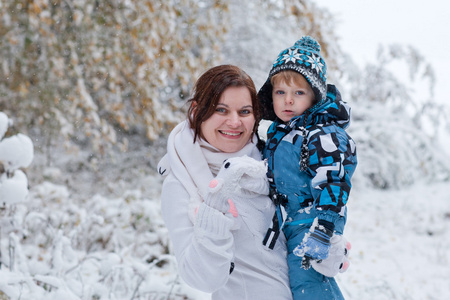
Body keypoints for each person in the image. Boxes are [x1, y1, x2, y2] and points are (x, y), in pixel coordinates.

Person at [157, 65, 293, 299]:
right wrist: (213, 219)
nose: (234, 122)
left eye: (244, 112)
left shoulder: (271, 161)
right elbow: (202, 278)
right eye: (221, 109)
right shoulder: (181, 182)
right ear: (196, 110)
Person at [258, 36, 357, 299]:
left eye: (298, 93)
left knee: (309, 286)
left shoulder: (322, 133)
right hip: (287, 222)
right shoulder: (280, 132)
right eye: (281, 92)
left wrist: (324, 228)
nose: (287, 101)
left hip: (311, 223)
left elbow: (334, 179)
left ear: (314, 96)